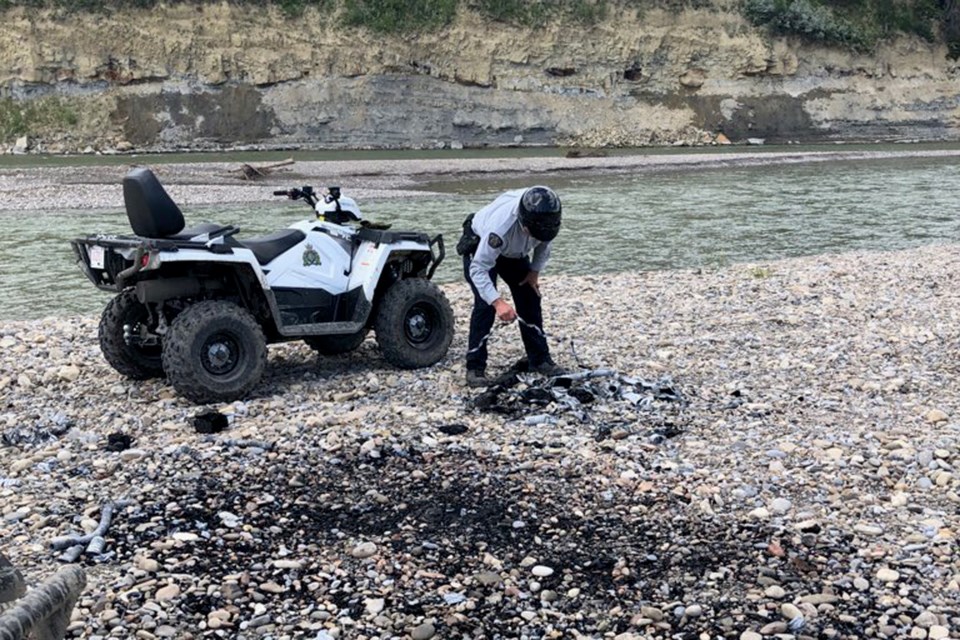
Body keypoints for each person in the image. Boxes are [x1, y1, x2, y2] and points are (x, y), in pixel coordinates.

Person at [458, 186, 565, 387]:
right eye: (534, 234)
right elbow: (478, 268)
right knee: (485, 304)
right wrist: (498, 302)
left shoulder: (548, 217)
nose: (539, 237)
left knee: (530, 296)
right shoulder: (499, 229)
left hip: (514, 253)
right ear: (524, 224)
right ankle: (475, 368)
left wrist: (534, 272)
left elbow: (544, 244)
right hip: (481, 247)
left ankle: (540, 360)